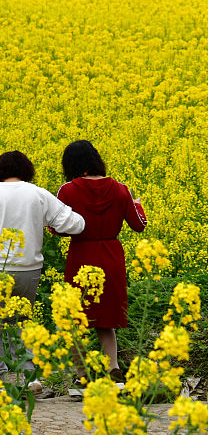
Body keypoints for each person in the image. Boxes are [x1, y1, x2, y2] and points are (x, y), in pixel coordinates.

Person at [0, 150, 86, 375]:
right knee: (20, 323)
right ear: (26, 170)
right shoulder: (38, 194)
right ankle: (30, 377)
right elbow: (76, 224)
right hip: (29, 270)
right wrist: (47, 224)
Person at [57, 140, 146, 387]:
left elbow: (57, 228)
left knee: (77, 318)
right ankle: (113, 369)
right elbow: (139, 225)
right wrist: (137, 204)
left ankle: (82, 376)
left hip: (81, 255)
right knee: (106, 318)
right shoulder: (120, 189)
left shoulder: (67, 190)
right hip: (111, 256)